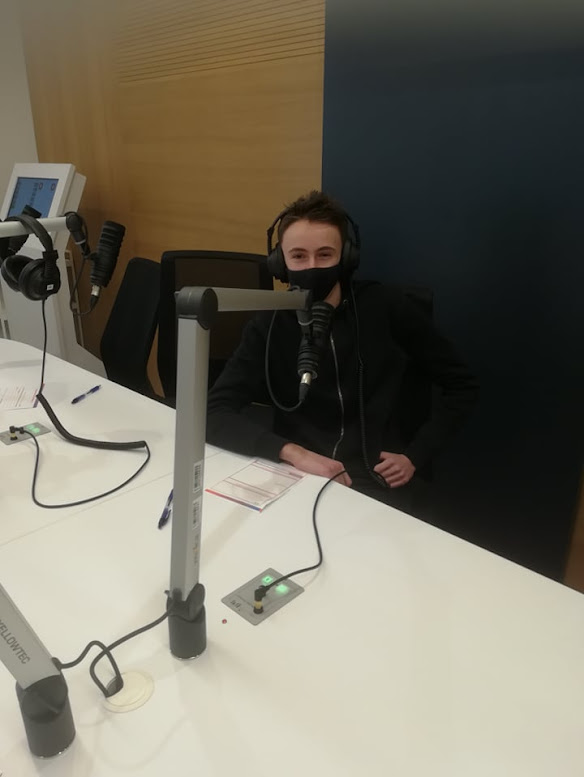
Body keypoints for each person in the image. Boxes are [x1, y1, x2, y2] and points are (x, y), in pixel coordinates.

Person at [206, 191, 478, 515]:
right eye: (298, 256)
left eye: (324, 255)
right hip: (299, 473)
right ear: (280, 262)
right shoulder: (269, 324)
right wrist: (291, 452)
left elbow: (462, 385)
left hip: (376, 478)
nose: (311, 266)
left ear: (346, 257)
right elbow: (214, 411)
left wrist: (415, 455)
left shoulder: (385, 307)